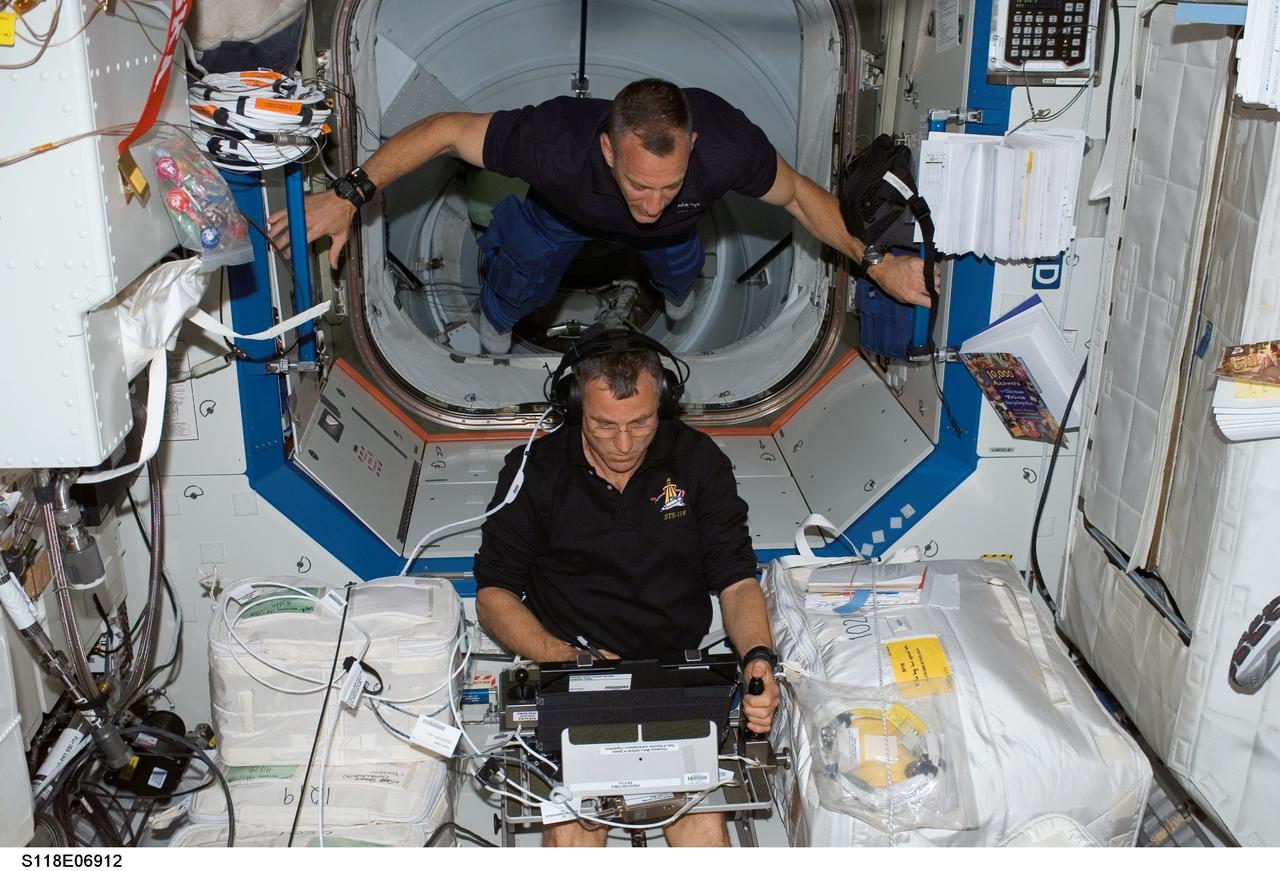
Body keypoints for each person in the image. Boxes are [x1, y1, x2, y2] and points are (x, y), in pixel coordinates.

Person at [269, 78, 934, 353]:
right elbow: (445, 130)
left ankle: (674, 305)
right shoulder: (556, 141)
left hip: (683, 234)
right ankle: (496, 334)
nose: (650, 202)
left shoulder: (727, 146)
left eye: (669, 182)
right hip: (562, 216)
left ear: (694, 148)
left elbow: (799, 197)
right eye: (638, 184)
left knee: (677, 267)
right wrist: (350, 193)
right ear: (608, 148)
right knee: (517, 280)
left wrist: (876, 264)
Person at [471, 327, 780, 847]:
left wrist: (758, 658)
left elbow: (735, 578)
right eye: (603, 425)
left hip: (676, 677)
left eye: (640, 424)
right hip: (572, 675)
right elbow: (493, 595)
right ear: (575, 407)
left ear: (664, 404)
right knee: (573, 828)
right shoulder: (535, 471)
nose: (623, 443)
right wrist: (565, 658)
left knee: (702, 823)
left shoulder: (699, 462)